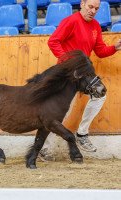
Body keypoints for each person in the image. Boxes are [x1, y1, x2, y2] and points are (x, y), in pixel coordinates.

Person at [45, 0, 121, 154]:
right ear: (82, 4)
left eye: (96, 9)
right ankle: (44, 147)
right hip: (66, 72)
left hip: (83, 73)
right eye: (90, 7)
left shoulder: (95, 26)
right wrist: (70, 61)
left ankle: (82, 134)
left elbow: (100, 51)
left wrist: (115, 48)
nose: (93, 11)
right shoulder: (70, 21)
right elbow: (53, 41)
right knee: (61, 112)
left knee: (100, 94)